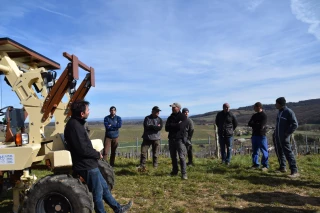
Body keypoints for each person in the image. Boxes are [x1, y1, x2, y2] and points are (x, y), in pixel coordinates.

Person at [64, 100, 132, 213]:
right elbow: (82, 149)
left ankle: (118, 209)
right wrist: (97, 154)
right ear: (82, 113)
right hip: (85, 165)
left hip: (89, 163)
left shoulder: (76, 123)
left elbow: (84, 146)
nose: (89, 112)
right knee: (98, 192)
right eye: (88, 110)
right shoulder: (74, 126)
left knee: (104, 187)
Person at [273, 97, 299, 178]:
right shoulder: (279, 112)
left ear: (280, 104)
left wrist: (287, 133)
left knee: (288, 153)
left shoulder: (288, 112)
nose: (275, 105)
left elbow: (295, 124)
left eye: (276, 103)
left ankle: (294, 171)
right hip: (277, 137)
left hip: (284, 137)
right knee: (279, 152)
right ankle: (282, 167)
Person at [165, 102, 188, 180]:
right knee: (173, 157)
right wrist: (175, 125)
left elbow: (181, 127)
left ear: (178, 108)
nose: (172, 108)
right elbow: (166, 128)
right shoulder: (170, 117)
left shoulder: (183, 117)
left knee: (181, 156)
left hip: (179, 139)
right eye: (172, 107)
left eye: (174, 107)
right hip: (171, 139)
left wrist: (172, 125)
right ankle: (174, 171)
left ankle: (184, 174)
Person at [137, 106, 163, 171]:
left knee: (155, 153)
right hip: (147, 138)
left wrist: (151, 126)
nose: (158, 113)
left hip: (156, 138)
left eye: (158, 111)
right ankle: (142, 165)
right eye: (156, 111)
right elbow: (146, 126)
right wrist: (155, 127)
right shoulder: (147, 118)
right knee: (143, 152)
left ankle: (155, 165)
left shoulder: (160, 119)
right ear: (152, 111)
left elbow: (159, 128)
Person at [248, 102, 269, 171]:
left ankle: (265, 165)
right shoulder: (254, 115)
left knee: (264, 151)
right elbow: (249, 123)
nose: (254, 108)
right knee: (255, 151)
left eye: (254, 107)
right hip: (254, 135)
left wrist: (255, 124)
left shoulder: (264, 116)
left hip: (261, 135)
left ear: (259, 107)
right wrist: (256, 124)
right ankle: (255, 164)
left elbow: (261, 126)